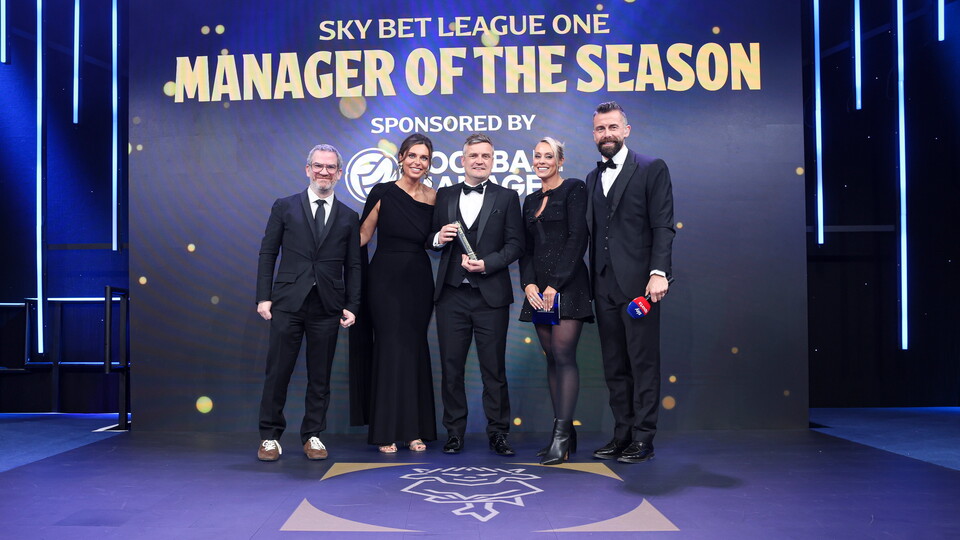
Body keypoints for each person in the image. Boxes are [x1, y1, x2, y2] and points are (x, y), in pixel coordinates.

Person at [255, 143, 361, 462]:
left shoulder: (348, 216)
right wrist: (264, 296)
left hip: (327, 306)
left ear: (339, 174)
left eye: (330, 167)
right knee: (278, 372)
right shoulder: (284, 207)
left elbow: (354, 265)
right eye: (318, 166)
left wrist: (352, 304)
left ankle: (313, 435)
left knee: (320, 376)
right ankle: (270, 436)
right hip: (287, 302)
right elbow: (268, 253)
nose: (323, 172)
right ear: (308, 169)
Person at [586, 101, 675, 464]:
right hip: (603, 286)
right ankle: (622, 434)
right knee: (614, 366)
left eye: (612, 127)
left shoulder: (652, 168)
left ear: (626, 130)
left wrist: (659, 272)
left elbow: (663, 225)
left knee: (643, 364)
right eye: (599, 129)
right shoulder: (592, 178)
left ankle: (644, 438)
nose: (606, 134)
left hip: (641, 287)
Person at [428, 133, 524, 456]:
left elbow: (515, 245)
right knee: (451, 368)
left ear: (493, 160)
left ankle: (498, 432)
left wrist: (488, 264)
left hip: (491, 297)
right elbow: (428, 239)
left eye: (486, 156)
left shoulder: (508, 197)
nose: (480, 160)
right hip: (451, 296)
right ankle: (454, 432)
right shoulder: (444, 195)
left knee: (493, 369)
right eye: (474, 156)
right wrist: (439, 238)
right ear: (462, 160)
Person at [355, 133, 438, 453]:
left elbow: (436, 241)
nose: (418, 162)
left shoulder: (434, 198)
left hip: (419, 281)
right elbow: (363, 236)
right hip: (384, 281)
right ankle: (386, 431)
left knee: (415, 349)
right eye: (412, 155)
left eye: (424, 158)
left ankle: (414, 431)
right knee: (389, 349)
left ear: (430, 164)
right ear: (400, 158)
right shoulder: (383, 192)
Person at [519, 137, 593, 466]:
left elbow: (579, 237)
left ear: (560, 161)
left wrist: (555, 284)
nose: (542, 161)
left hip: (568, 285)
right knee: (550, 357)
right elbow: (525, 249)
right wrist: (529, 283)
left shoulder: (574, 189)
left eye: (549, 156)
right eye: (537, 156)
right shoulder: (529, 200)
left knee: (563, 354)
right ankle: (563, 435)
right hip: (539, 292)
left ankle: (562, 436)